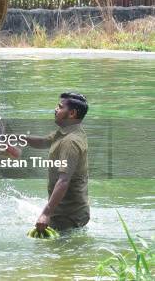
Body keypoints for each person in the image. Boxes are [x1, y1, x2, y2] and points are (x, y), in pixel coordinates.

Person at [26, 92, 90, 232]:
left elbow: (64, 180)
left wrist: (45, 214)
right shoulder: (67, 131)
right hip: (69, 211)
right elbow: (43, 142)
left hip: (67, 216)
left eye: (60, 107)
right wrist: (15, 138)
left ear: (72, 113)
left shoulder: (70, 142)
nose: (56, 109)